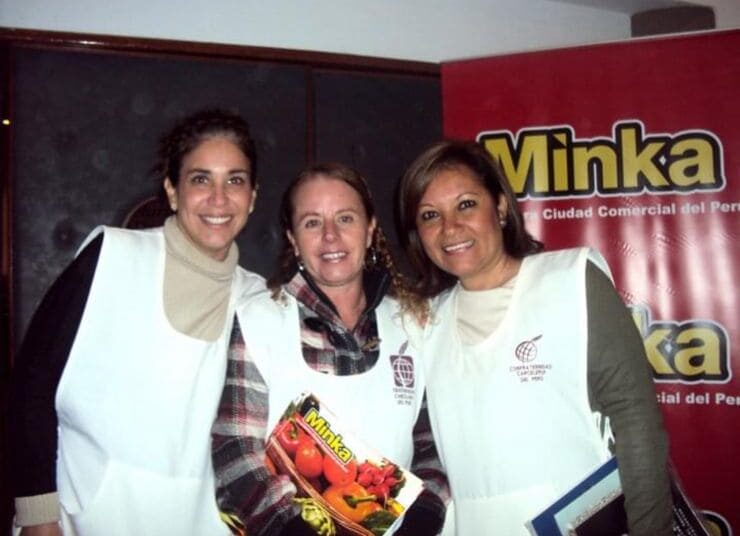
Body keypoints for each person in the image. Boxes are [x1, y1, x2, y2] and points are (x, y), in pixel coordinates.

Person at [395, 140, 673, 536]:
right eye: (429, 215)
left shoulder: (571, 281)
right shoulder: (423, 322)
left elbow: (636, 420)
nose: (450, 227)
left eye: (466, 204)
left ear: (500, 207)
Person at [8, 108, 265, 535]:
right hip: (85, 520)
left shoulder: (258, 300)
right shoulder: (112, 258)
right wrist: (38, 515)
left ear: (252, 197)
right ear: (173, 191)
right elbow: (31, 386)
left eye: (235, 180)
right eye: (200, 179)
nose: (219, 198)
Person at [211, 162, 449, 535]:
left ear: (370, 229)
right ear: (293, 239)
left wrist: (422, 520)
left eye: (345, 219)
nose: (330, 236)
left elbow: (433, 444)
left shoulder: (411, 322)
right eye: (312, 222)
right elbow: (234, 449)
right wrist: (293, 531)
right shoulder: (260, 319)